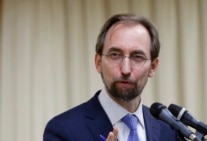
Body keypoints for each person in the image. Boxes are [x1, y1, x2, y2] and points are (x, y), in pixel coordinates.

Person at [43, 13, 180, 141]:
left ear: (153, 67)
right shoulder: (64, 130)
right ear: (98, 63)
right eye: (115, 55)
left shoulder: (169, 130)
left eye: (137, 57)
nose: (125, 69)